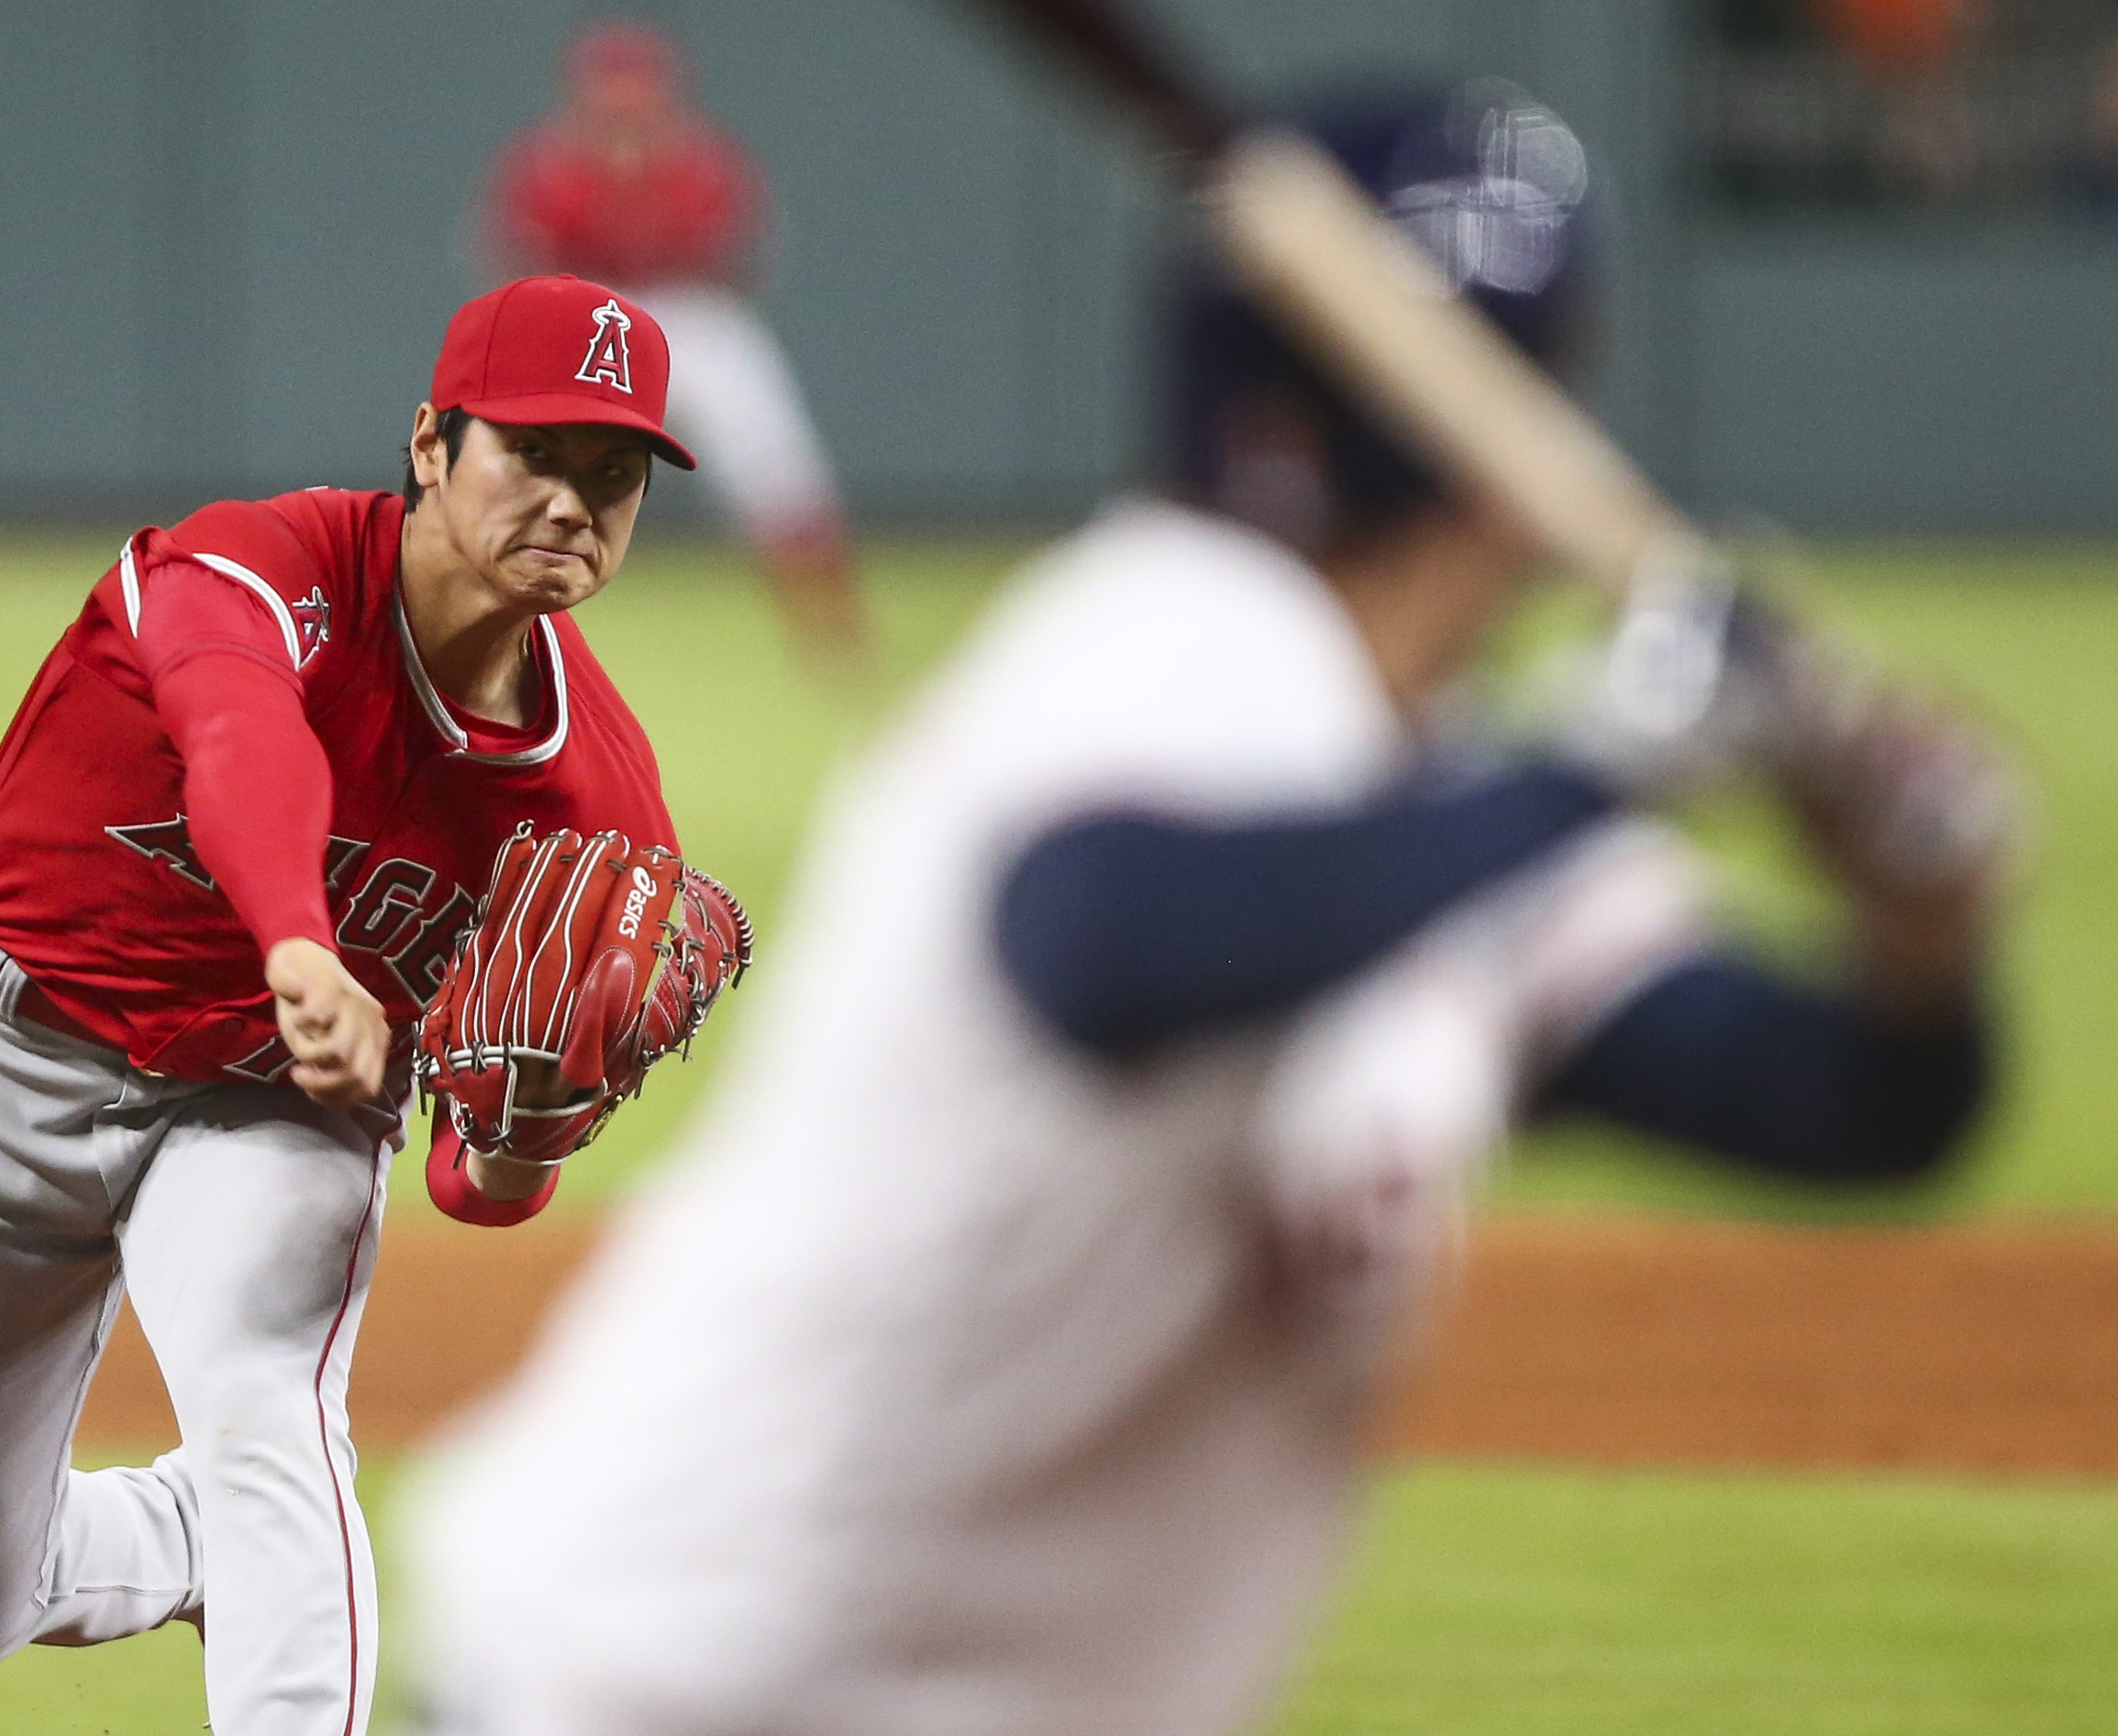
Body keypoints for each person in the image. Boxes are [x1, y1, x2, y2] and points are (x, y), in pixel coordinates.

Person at [397, 87, 2013, 1736]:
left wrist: (1917, 926)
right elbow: (1099, 931)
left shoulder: (1447, 803)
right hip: (653, 1685)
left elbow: (1854, 1110)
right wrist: (1599, 762)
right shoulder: (1163, 642)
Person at [0, 273, 700, 1736]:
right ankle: (209, 1542)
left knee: (271, 1405)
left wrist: (521, 1133)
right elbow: (241, 733)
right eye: (536, 457)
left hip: (271, 1104)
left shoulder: (599, 812)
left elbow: (479, 1185)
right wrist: (300, 943)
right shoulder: (251, 566)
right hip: (8, 1045)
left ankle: (263, 1548)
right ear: (430, 444)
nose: (575, 504)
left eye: (613, 475)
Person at [485, 18, 868, 657]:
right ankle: (484, 624)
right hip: (592, 315)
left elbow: (738, 259)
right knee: (513, 464)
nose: (624, 113)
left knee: (775, 465)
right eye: (610, 98)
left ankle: (833, 632)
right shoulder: (549, 169)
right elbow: (514, 264)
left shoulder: (702, 162)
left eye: (637, 96)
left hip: (693, 316)